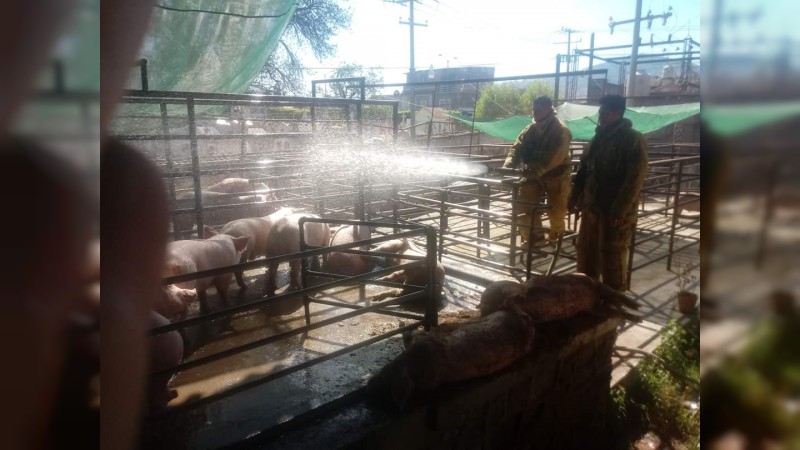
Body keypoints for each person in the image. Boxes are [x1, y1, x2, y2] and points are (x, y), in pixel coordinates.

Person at [568, 94, 648, 291]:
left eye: (605, 113)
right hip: (592, 207)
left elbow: (634, 179)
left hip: (614, 211)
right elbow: (583, 171)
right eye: (600, 112)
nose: (601, 116)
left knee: (612, 254)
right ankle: (586, 294)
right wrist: (573, 196)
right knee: (586, 252)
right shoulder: (597, 139)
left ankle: (614, 303)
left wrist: (620, 211)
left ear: (617, 113)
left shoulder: (632, 140)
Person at [501, 95, 572, 245]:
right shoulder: (530, 129)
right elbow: (517, 148)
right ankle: (535, 237)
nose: (535, 112)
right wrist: (508, 166)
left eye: (538, 109)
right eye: (534, 109)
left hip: (556, 175)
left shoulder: (561, 130)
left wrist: (537, 170)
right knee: (523, 204)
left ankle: (557, 235)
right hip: (532, 174)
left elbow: (557, 155)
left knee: (556, 210)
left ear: (548, 109)